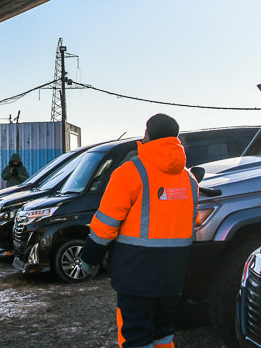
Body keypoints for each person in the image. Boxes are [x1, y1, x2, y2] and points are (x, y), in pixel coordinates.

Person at [78, 114, 197, 348]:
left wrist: (89, 259)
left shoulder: (130, 173)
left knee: (136, 336)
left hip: (136, 273)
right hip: (173, 274)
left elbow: (106, 225)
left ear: (148, 135)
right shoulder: (190, 180)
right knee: (163, 334)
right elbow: (190, 223)